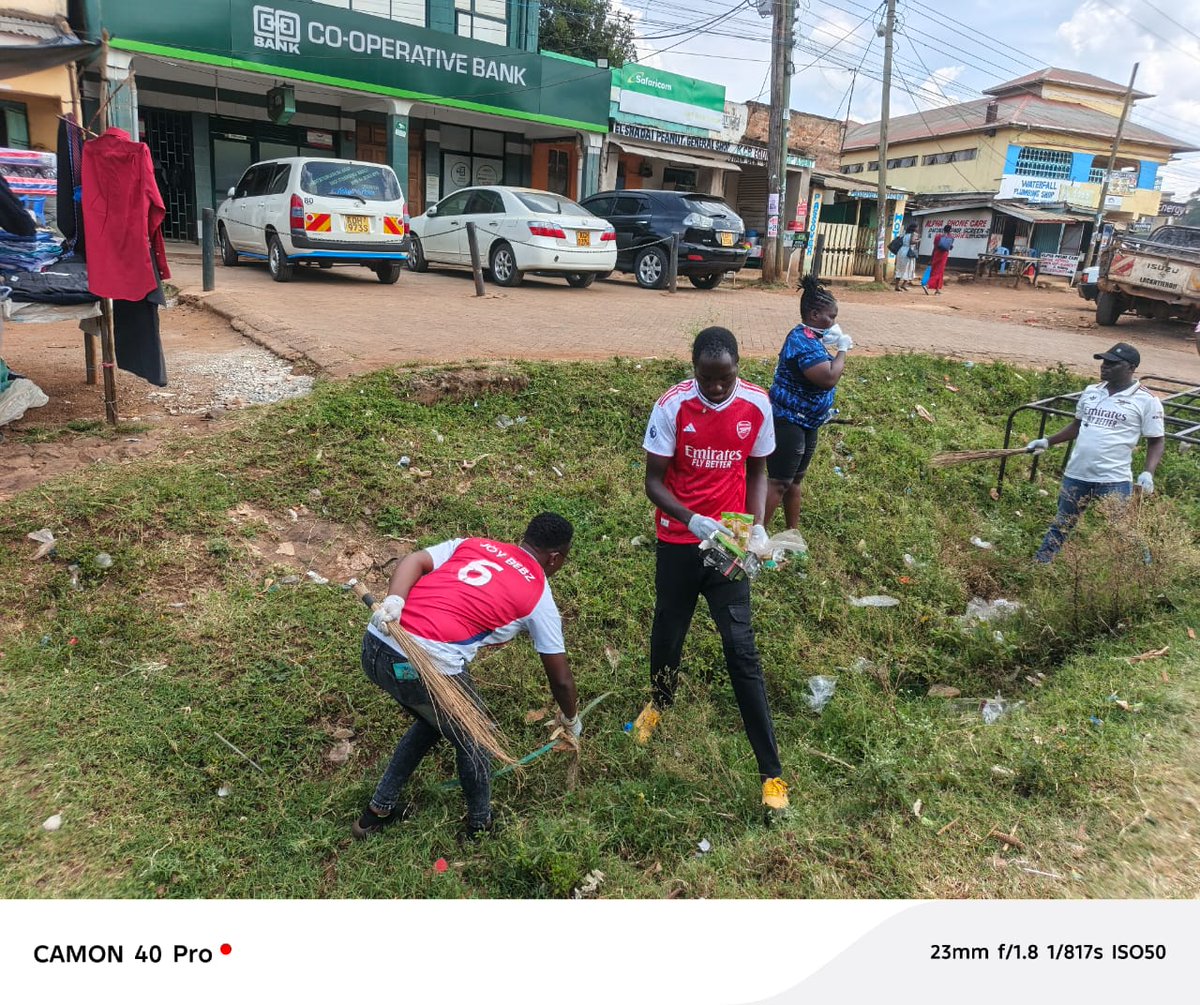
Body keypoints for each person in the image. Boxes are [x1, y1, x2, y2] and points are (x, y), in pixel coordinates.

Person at [635, 326, 790, 816]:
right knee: (669, 630)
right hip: (680, 541)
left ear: (738, 367)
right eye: (708, 378)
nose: (717, 388)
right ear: (694, 369)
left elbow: (758, 469)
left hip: (728, 545)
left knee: (741, 651)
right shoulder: (672, 406)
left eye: (725, 378)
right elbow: (653, 483)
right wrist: (690, 517)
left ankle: (771, 774)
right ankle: (658, 704)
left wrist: (759, 527)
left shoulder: (757, 405)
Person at [353, 513, 580, 840]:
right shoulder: (538, 596)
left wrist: (395, 599)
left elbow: (415, 559)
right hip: (425, 670)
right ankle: (479, 825)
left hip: (375, 648)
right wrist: (571, 720)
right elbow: (560, 677)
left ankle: (376, 813)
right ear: (555, 558)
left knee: (435, 722)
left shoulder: (476, 545)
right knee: (476, 737)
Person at [1028, 343, 1165, 563]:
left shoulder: (1147, 400)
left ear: (1130, 367)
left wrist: (1148, 472)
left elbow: (1156, 441)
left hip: (1113, 478)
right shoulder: (1092, 392)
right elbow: (1077, 426)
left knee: (1122, 528)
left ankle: (1144, 570)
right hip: (1077, 473)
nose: (1104, 367)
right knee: (1062, 523)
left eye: (1112, 363)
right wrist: (1047, 442)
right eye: (1103, 362)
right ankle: (1041, 563)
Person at [764, 276, 852, 531]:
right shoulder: (801, 340)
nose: (834, 323)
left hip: (808, 421)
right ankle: (754, 540)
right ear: (814, 314)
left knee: (795, 481)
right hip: (788, 420)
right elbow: (828, 378)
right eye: (830, 317)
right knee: (779, 481)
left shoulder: (812, 338)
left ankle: (792, 534)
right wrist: (843, 350)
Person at [923, 224, 954, 295]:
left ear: (944, 229)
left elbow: (934, 247)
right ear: (950, 230)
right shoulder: (950, 237)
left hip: (936, 254)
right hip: (943, 255)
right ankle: (927, 285)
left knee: (935, 271)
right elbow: (950, 247)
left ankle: (937, 290)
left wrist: (931, 257)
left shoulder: (938, 237)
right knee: (939, 272)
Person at [893, 222, 919, 291]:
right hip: (908, 252)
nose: (918, 228)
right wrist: (918, 240)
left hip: (901, 251)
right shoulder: (914, 234)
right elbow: (912, 242)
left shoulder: (904, 234)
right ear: (914, 228)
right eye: (917, 227)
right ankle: (903, 285)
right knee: (909, 268)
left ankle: (897, 285)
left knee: (899, 268)